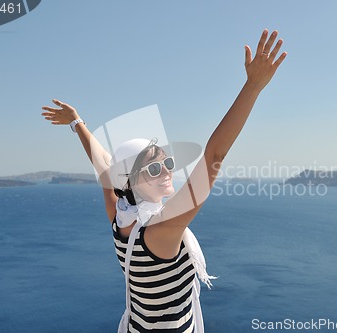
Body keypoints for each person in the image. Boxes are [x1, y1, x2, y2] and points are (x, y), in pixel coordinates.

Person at [41, 29, 286, 333]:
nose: (167, 171)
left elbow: (104, 164)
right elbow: (213, 156)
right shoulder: (161, 231)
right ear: (130, 181)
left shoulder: (120, 216)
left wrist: (78, 123)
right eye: (154, 169)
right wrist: (252, 87)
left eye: (167, 162)